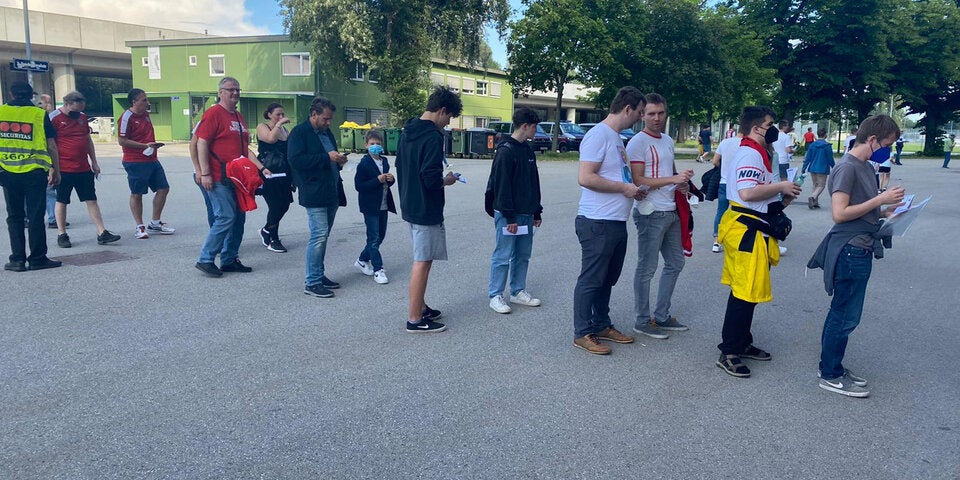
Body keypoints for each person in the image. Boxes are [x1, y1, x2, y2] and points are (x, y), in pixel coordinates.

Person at [807, 115, 906, 398]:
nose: (888, 149)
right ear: (873, 139)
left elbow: (861, 207)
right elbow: (840, 214)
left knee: (846, 313)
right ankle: (830, 373)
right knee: (845, 315)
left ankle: (831, 366)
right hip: (851, 248)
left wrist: (888, 211)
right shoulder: (847, 168)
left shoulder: (864, 166)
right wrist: (880, 200)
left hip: (859, 246)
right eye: (887, 144)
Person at [715, 106, 801, 378]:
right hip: (746, 231)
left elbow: (756, 195)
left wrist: (782, 200)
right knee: (744, 291)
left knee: (747, 290)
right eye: (770, 124)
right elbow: (747, 192)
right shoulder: (751, 153)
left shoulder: (756, 151)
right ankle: (728, 351)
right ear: (756, 129)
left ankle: (741, 342)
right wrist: (781, 187)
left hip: (751, 226)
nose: (774, 129)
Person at [571, 86, 645, 355]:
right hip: (597, 221)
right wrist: (624, 189)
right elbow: (586, 177)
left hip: (615, 221)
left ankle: (601, 324)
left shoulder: (615, 138)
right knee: (591, 279)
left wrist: (633, 190)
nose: (639, 118)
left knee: (607, 279)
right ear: (627, 109)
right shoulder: (598, 135)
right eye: (638, 112)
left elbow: (619, 177)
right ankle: (582, 332)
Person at [626, 93, 693, 339]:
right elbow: (638, 181)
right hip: (650, 214)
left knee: (676, 262)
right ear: (642, 115)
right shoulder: (637, 142)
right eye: (651, 113)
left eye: (661, 113)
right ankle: (642, 321)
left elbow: (670, 172)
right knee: (647, 268)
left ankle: (662, 316)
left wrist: (681, 184)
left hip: (672, 210)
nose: (657, 118)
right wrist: (672, 179)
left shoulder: (667, 140)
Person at [396, 86, 463, 333]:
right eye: (449, 118)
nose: (447, 124)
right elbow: (430, 177)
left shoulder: (408, 130)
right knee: (422, 262)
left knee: (421, 258)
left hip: (409, 203)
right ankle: (415, 318)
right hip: (426, 207)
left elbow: (401, 166)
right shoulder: (434, 137)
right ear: (442, 110)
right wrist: (447, 180)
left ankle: (421, 306)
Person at [195, 77, 266, 277]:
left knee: (239, 218)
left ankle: (229, 259)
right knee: (225, 216)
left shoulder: (238, 116)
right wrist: (204, 172)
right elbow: (201, 143)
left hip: (237, 178)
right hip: (218, 176)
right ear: (220, 92)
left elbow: (245, 149)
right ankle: (206, 259)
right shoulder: (213, 114)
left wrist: (261, 167)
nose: (235, 93)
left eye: (237, 89)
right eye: (230, 90)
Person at [486, 108, 544, 314]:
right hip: (508, 215)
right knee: (503, 255)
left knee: (522, 254)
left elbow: (533, 182)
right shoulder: (505, 151)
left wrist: (537, 211)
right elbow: (501, 186)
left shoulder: (527, 150)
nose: (536, 130)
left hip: (526, 213)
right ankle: (495, 295)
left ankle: (518, 291)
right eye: (535, 126)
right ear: (525, 126)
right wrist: (509, 216)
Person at [0, 81, 62, 272]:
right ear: (30, 96)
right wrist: (56, 170)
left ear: (11, 94)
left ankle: (17, 259)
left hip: (7, 171)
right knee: (36, 216)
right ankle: (37, 258)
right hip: (34, 172)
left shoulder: (1, 112)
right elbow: (51, 145)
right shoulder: (39, 114)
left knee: (15, 216)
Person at [288, 96, 345, 296]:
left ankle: (318, 275)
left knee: (324, 235)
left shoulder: (326, 132)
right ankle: (311, 282)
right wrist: (325, 157)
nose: (328, 123)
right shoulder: (299, 133)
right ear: (314, 115)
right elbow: (295, 161)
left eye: (330, 119)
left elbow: (331, 155)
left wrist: (339, 160)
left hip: (332, 189)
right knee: (319, 235)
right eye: (325, 119)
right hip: (313, 191)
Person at [49, 91, 120, 248]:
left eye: (80, 109)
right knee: (62, 200)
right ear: (66, 104)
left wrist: (94, 162)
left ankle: (102, 232)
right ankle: (62, 234)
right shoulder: (54, 118)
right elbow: (49, 144)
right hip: (63, 168)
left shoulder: (81, 118)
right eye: (75, 110)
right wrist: (52, 168)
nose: (77, 114)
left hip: (83, 167)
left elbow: (88, 140)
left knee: (91, 199)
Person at [117, 88, 174, 239]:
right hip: (135, 161)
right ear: (134, 102)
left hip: (152, 159)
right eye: (144, 100)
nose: (147, 103)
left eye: (146, 99)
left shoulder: (146, 115)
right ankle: (139, 227)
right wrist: (144, 146)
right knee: (137, 194)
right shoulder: (126, 117)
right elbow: (121, 140)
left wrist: (153, 146)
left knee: (163, 188)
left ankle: (155, 223)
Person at [354, 129, 396, 285]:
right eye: (372, 144)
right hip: (370, 206)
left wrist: (390, 180)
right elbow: (359, 185)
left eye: (378, 144)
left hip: (383, 204)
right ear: (366, 145)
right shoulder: (364, 163)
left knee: (380, 236)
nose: (375, 146)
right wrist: (377, 180)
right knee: (373, 238)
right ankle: (378, 269)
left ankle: (362, 259)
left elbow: (388, 182)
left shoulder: (384, 161)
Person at [256, 103, 294, 253]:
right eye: (278, 114)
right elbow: (270, 139)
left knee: (285, 204)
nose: (281, 117)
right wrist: (278, 124)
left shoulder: (285, 129)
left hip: (284, 172)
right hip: (268, 170)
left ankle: (266, 230)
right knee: (275, 205)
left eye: (282, 114)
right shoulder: (263, 127)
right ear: (269, 114)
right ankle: (273, 238)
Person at [710, 133, 742, 252]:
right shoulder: (747, 144)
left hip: (724, 182)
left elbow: (715, 161)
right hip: (740, 184)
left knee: (721, 211)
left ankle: (716, 241)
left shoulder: (725, 142)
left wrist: (723, 169)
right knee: (741, 211)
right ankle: (739, 239)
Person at [801, 128, 835, 209]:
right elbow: (830, 158)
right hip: (822, 168)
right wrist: (834, 167)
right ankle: (813, 197)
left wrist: (804, 168)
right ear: (825, 135)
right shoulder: (827, 146)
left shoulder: (812, 145)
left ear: (817, 134)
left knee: (815, 184)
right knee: (821, 185)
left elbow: (807, 157)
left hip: (812, 167)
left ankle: (815, 202)